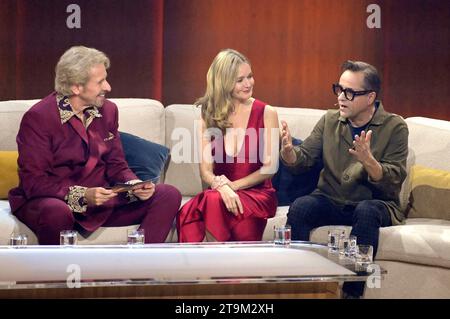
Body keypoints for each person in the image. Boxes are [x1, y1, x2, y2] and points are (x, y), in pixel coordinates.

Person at [8, 46, 181, 245]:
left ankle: (136, 268)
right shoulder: (39, 118)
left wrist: (133, 185)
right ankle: (56, 274)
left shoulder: (108, 111)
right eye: (100, 82)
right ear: (75, 87)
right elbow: (34, 182)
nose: (108, 87)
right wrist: (82, 195)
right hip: (53, 200)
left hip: (100, 200)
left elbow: (117, 164)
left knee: (168, 194)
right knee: (56, 212)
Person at [280, 60, 408, 298]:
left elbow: (395, 180)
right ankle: (299, 285)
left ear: (370, 97)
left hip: (375, 203)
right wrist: (289, 153)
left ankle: (351, 293)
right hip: (331, 199)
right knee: (301, 207)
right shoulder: (330, 120)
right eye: (339, 89)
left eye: (349, 92)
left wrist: (369, 161)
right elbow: (304, 158)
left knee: (367, 211)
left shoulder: (394, 127)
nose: (341, 97)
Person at [176, 49, 279, 242]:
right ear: (224, 83)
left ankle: (212, 266)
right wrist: (221, 187)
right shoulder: (208, 115)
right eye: (240, 80)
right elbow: (206, 171)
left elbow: (270, 168)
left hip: (256, 195)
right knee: (213, 199)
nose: (248, 83)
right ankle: (217, 264)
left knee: (209, 201)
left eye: (250, 76)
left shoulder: (267, 112)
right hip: (220, 194)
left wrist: (232, 186)